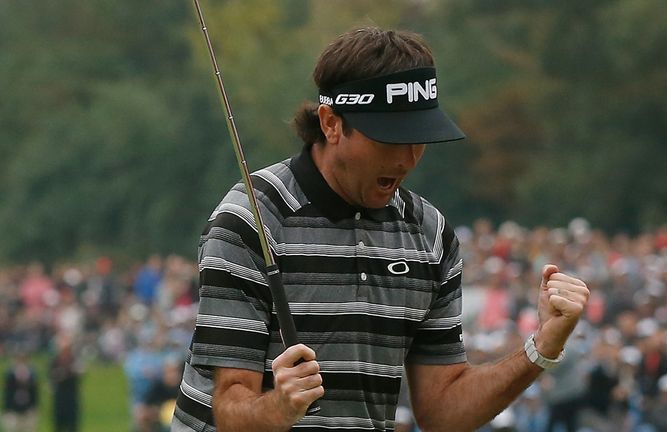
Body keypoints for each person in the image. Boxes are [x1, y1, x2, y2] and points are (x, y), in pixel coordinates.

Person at [171, 26, 589, 431]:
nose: (407, 159)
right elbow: (228, 407)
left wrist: (543, 346)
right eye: (390, 139)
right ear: (332, 123)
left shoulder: (429, 235)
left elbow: (443, 412)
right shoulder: (251, 220)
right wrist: (279, 407)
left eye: (419, 139)